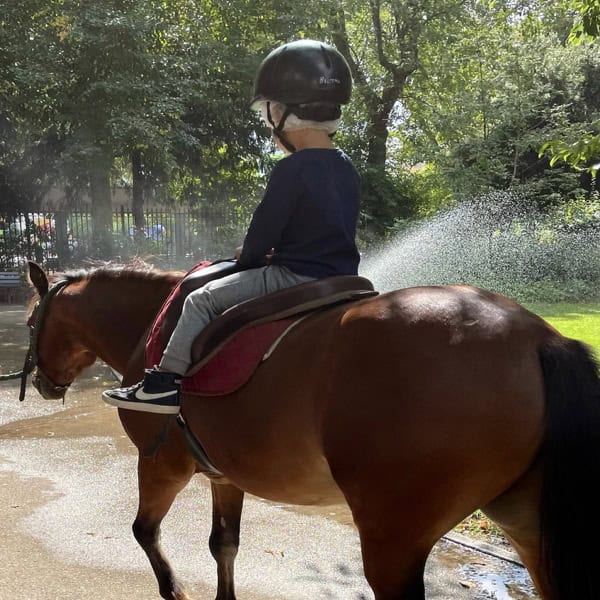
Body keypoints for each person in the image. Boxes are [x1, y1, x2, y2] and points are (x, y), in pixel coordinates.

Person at [102, 39, 361, 414]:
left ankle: (162, 385)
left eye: (269, 113)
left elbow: (263, 233)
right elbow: (325, 227)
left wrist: (250, 257)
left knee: (201, 299)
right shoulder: (346, 166)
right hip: (343, 277)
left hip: (294, 277)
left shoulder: (292, 168)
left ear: (281, 112)